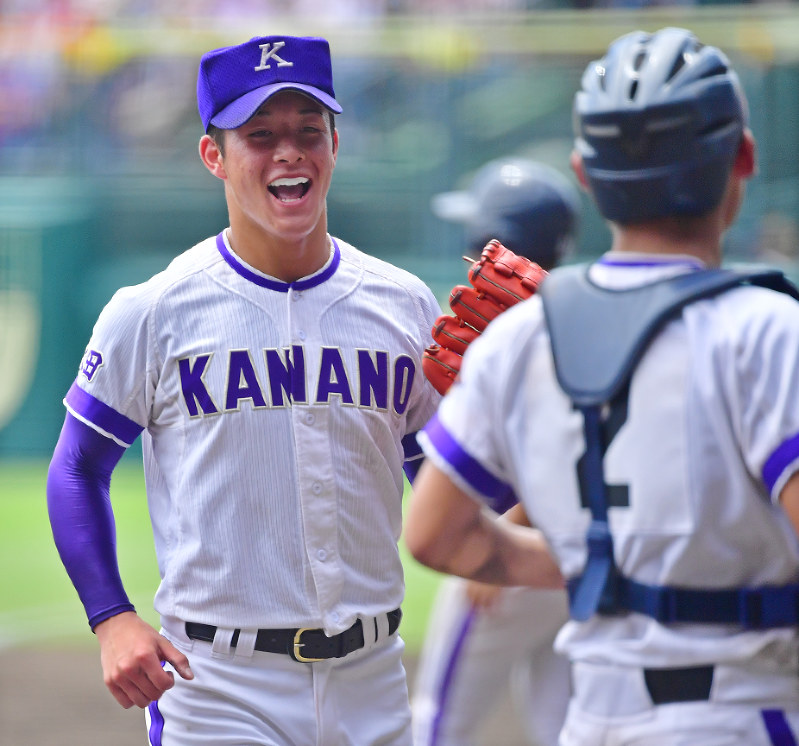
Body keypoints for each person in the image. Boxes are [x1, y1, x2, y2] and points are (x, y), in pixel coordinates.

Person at [405, 26, 799, 746]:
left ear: (584, 174)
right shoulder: (769, 329)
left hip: (596, 724)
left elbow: (433, 536)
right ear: (741, 157)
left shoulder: (523, 337)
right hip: (740, 715)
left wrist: (598, 564)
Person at [46, 34, 443, 745]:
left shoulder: (403, 304)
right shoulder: (156, 309)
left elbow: (447, 490)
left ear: (334, 144)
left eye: (307, 133)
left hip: (372, 679)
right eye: (259, 136)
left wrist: (494, 405)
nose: (288, 152)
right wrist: (111, 616)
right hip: (219, 685)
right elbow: (77, 466)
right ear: (214, 157)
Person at [411, 157, 579, 746]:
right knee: (565, 723)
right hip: (578, 562)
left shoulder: (516, 335)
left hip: (507, 561)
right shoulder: (584, 319)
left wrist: (505, 534)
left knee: (436, 722)